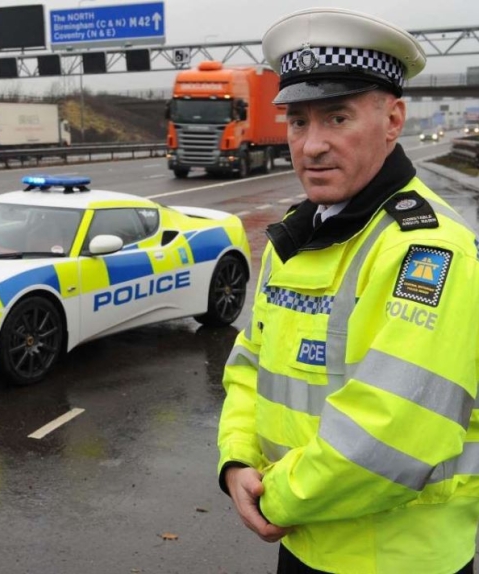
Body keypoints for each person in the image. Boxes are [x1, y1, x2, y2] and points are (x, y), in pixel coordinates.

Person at [216, 8, 479, 574]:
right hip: (302, 544)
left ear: (393, 121)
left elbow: (392, 432)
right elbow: (249, 366)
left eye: (337, 118)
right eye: (298, 122)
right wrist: (236, 461)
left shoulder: (425, 251)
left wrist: (274, 498)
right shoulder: (297, 237)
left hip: (399, 559)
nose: (311, 146)